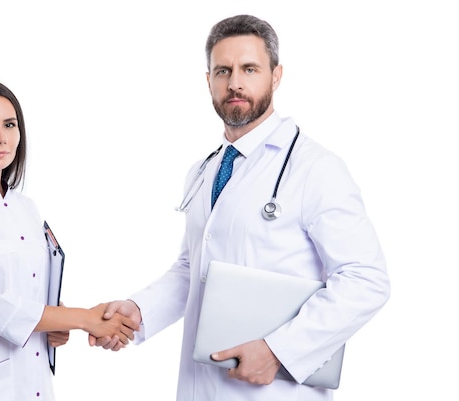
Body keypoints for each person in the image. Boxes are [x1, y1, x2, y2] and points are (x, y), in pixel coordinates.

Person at [91, 14, 391, 401]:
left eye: (249, 69)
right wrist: (138, 310)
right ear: (208, 81)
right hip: (202, 385)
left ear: (276, 75)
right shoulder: (205, 169)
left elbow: (366, 279)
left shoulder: (315, 168)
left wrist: (279, 352)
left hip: (274, 389)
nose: (234, 83)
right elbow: (193, 268)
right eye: (223, 71)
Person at [0, 79, 138, 401]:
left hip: (34, 384)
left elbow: (30, 295)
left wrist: (57, 322)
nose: (1, 137)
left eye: (10, 124)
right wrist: (84, 318)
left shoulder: (27, 208)